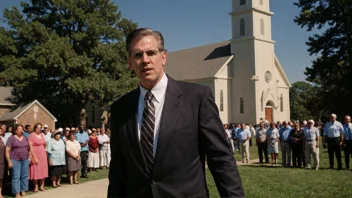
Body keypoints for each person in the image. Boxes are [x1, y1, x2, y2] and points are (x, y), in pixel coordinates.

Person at [108, 28, 244, 198]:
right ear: (130, 62)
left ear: (163, 57)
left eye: (151, 53)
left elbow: (221, 160)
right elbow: (117, 171)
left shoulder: (197, 98)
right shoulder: (120, 108)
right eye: (137, 55)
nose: (145, 60)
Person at [5, 124, 29, 197]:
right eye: (19, 129)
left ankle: (23, 190)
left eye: (22, 129)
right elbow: (7, 151)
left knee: (24, 175)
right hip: (15, 160)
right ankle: (16, 192)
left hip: (25, 159)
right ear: (15, 130)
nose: (21, 130)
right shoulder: (11, 138)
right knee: (16, 176)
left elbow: (28, 148)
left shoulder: (25, 137)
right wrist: (9, 161)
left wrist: (29, 157)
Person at [28, 123, 48, 192]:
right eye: (38, 127)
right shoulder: (31, 135)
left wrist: (45, 146)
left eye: (40, 127)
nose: (39, 129)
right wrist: (34, 157)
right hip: (35, 153)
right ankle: (35, 187)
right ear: (35, 128)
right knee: (36, 170)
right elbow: (30, 147)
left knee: (43, 169)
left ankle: (42, 186)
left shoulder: (42, 135)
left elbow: (45, 143)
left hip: (43, 154)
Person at [0, 125, 6, 198]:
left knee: (0, 178)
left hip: (1, 161)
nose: (1, 131)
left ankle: (0, 193)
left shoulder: (2, 139)